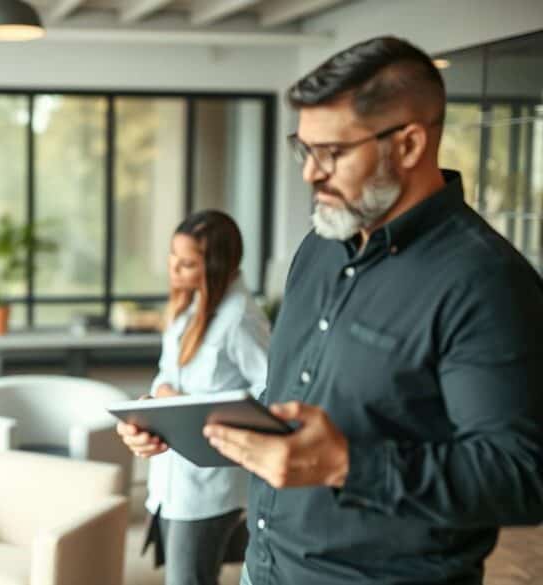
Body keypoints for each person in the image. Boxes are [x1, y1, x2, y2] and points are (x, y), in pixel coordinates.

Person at [193, 36, 543, 585]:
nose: (309, 173)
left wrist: (347, 464)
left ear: (407, 145)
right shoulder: (318, 248)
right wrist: (190, 423)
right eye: (303, 149)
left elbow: (524, 477)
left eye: (331, 152)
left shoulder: (485, 282)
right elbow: (291, 404)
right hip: (266, 569)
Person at [117, 210, 269, 585]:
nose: (174, 269)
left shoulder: (240, 319)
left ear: (216, 266)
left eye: (187, 263)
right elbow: (167, 371)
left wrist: (193, 401)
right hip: (173, 473)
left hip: (206, 483)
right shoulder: (188, 306)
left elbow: (273, 389)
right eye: (173, 257)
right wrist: (160, 394)